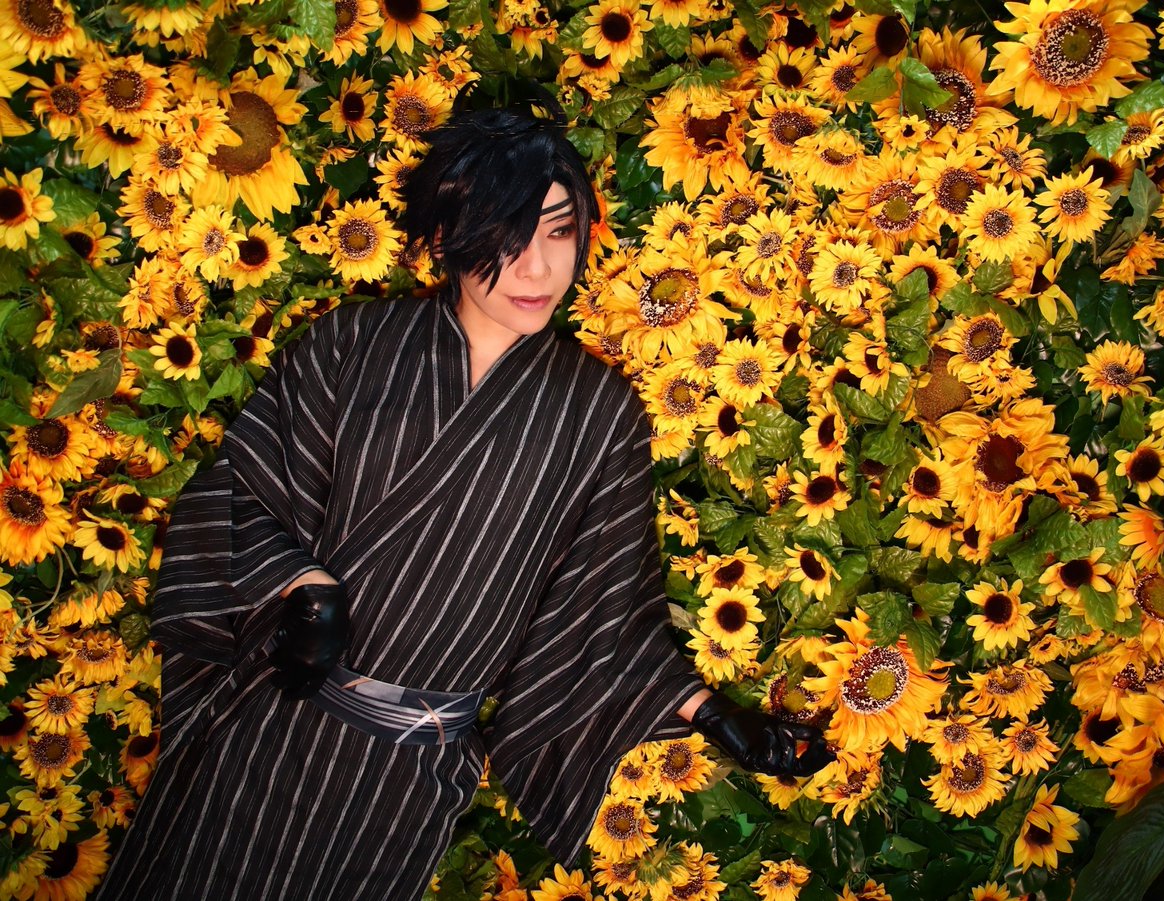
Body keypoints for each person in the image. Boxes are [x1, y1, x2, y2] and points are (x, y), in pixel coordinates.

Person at [95, 104, 832, 900]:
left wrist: (713, 715)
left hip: (404, 783)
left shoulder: (598, 413)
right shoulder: (351, 345)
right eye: (508, 236)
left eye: (559, 231)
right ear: (446, 235)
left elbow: (603, 614)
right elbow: (241, 491)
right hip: (266, 726)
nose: (538, 269)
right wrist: (298, 584)